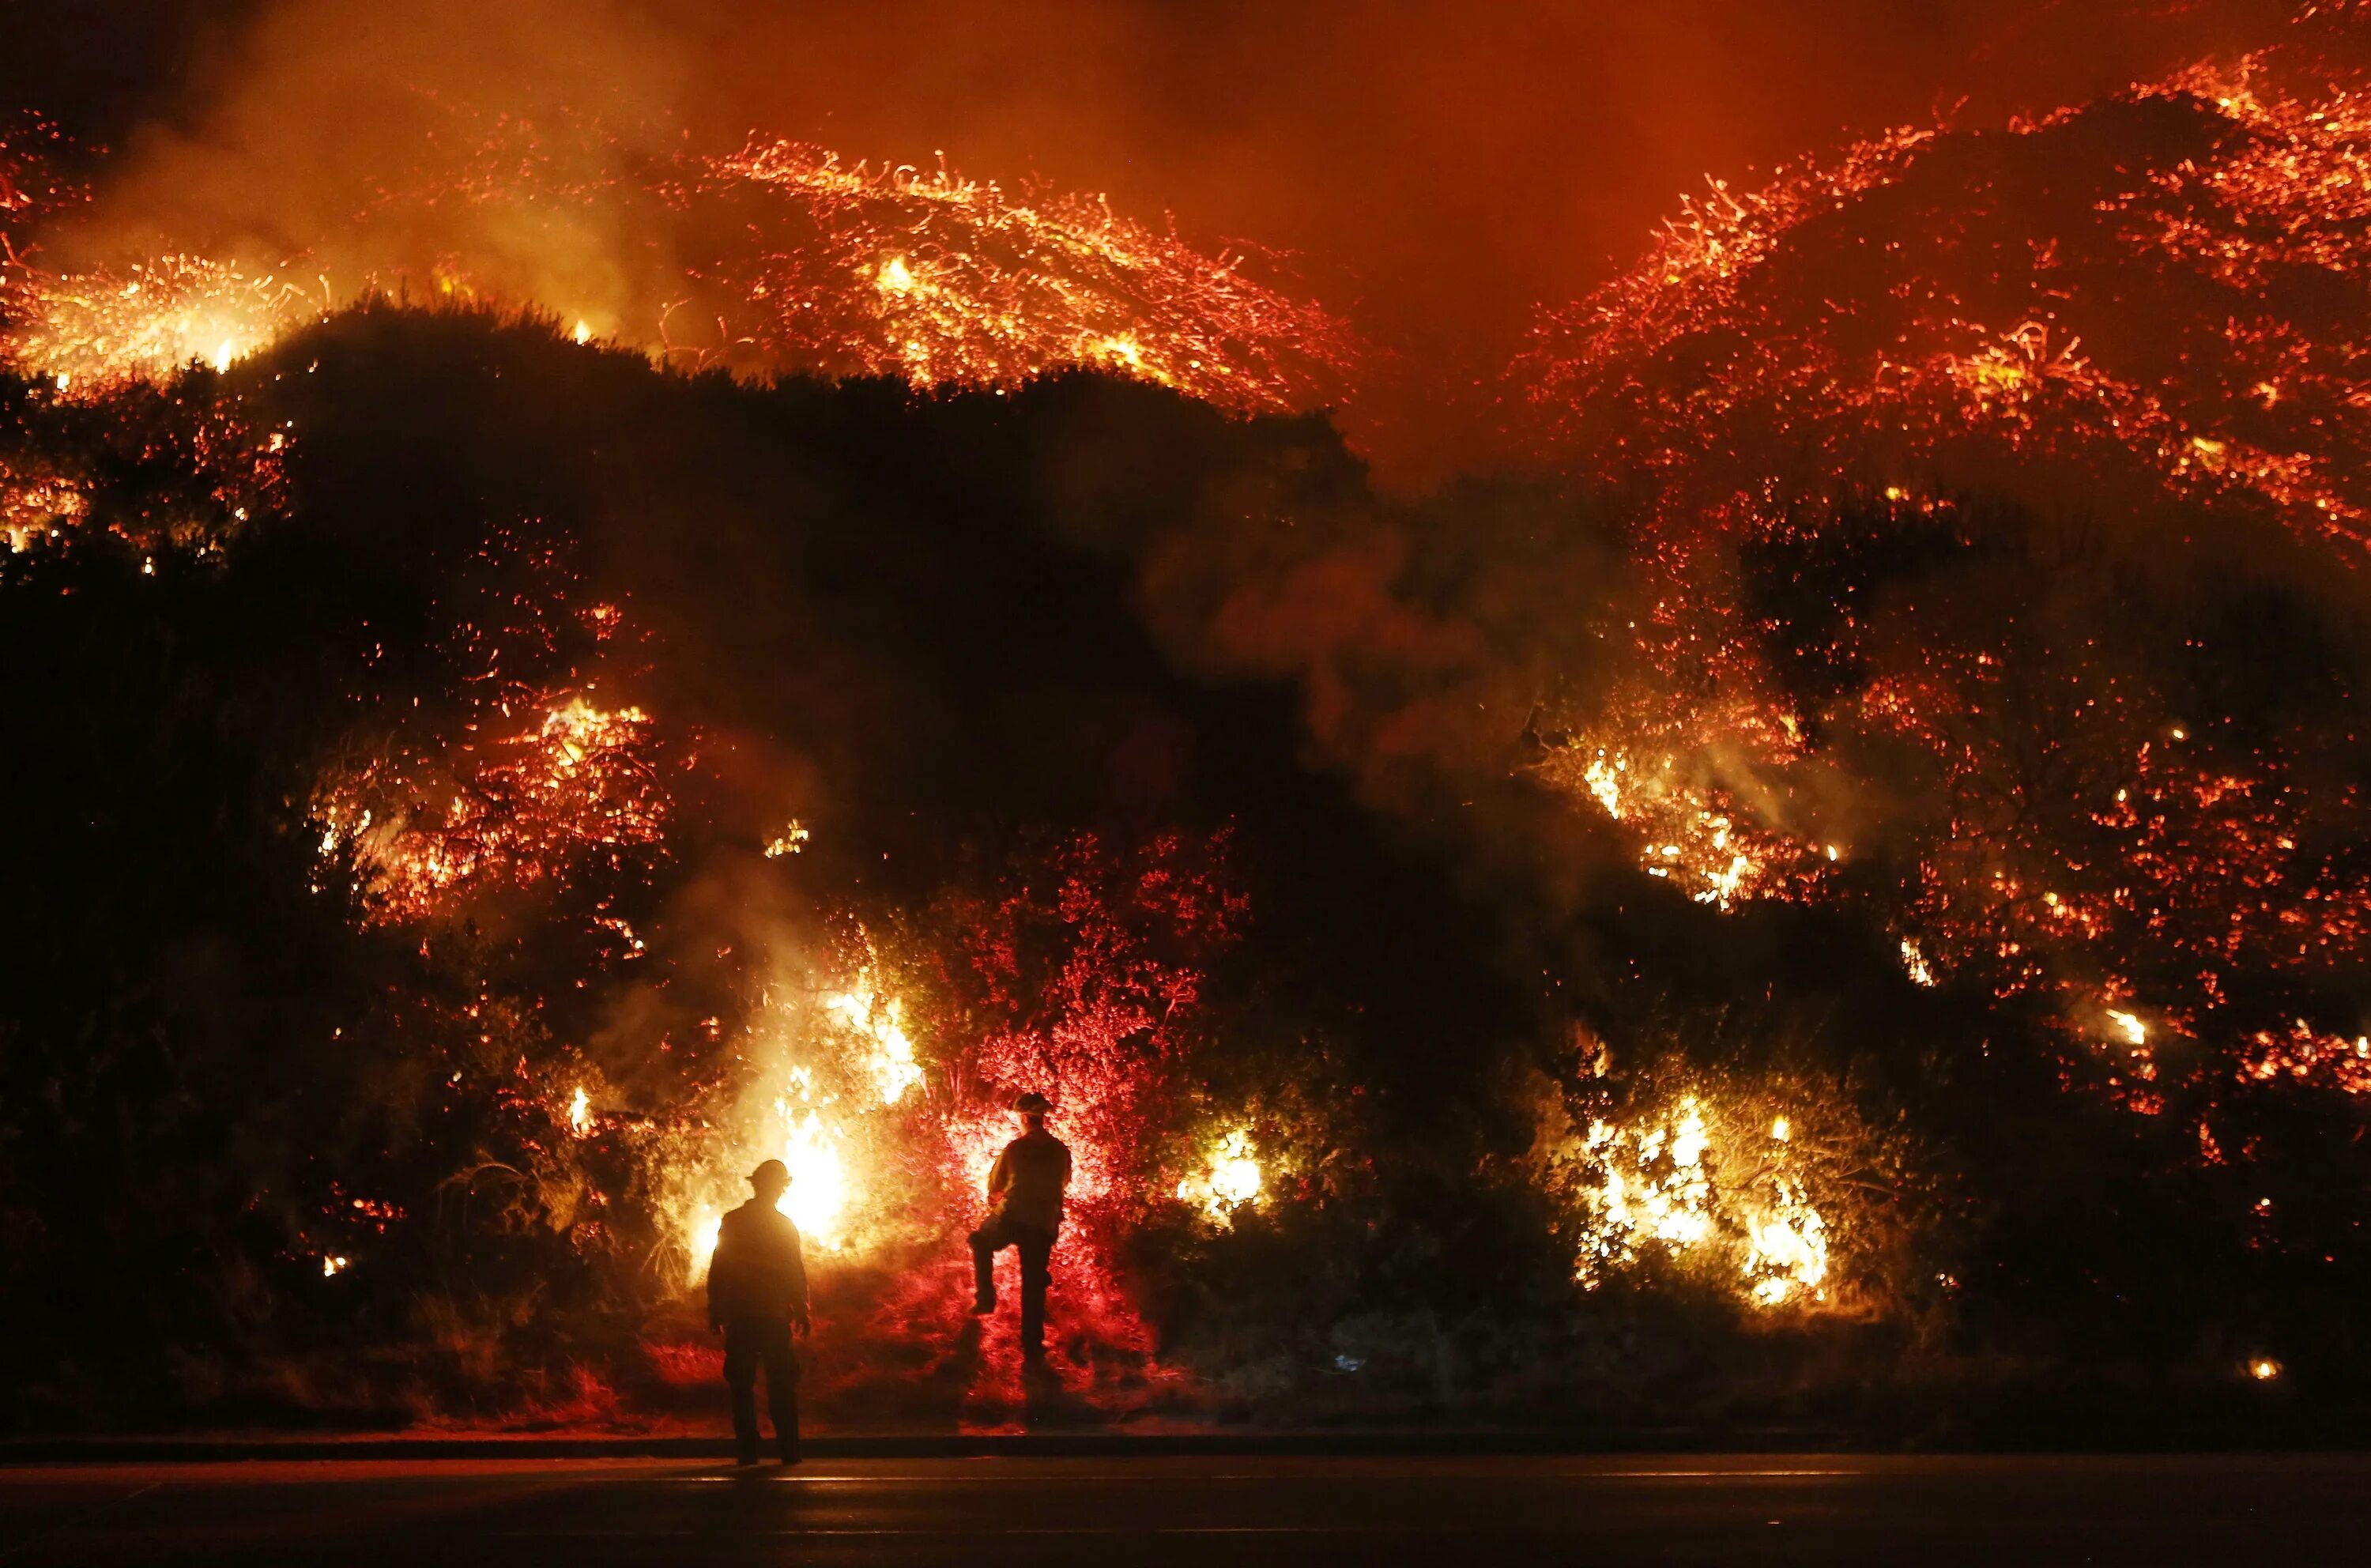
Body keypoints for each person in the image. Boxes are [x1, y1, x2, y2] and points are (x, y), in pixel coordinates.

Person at [707, 1158, 809, 1465]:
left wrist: (715, 1307)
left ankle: (749, 1449)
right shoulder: (782, 1225)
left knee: (743, 1385)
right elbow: (794, 1271)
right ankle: (788, 1449)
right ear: (778, 1187)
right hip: (772, 1316)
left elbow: (719, 1267)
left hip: (743, 1315)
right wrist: (802, 1309)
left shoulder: (735, 1220)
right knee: (780, 1383)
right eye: (777, 1185)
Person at [969, 1091, 1073, 1361]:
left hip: (1012, 1216)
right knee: (1034, 1283)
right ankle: (1033, 1345)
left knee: (980, 1241)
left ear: (1026, 1118)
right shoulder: (1061, 1151)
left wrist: (996, 1203)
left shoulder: (1015, 1148)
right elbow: (1062, 1183)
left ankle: (985, 1298)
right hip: (1043, 1222)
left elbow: (995, 1187)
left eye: (1019, 1118)